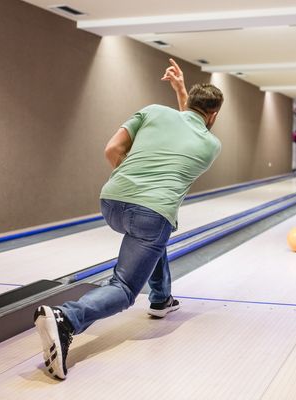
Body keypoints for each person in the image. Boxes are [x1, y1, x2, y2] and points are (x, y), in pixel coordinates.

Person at [33, 59, 223, 380]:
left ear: (188, 102)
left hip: (112, 201)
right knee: (124, 287)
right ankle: (66, 318)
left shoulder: (152, 111)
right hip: (152, 213)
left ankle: (161, 300)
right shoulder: (210, 145)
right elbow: (193, 130)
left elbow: (113, 149)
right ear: (214, 115)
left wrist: (179, 91)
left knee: (150, 242)